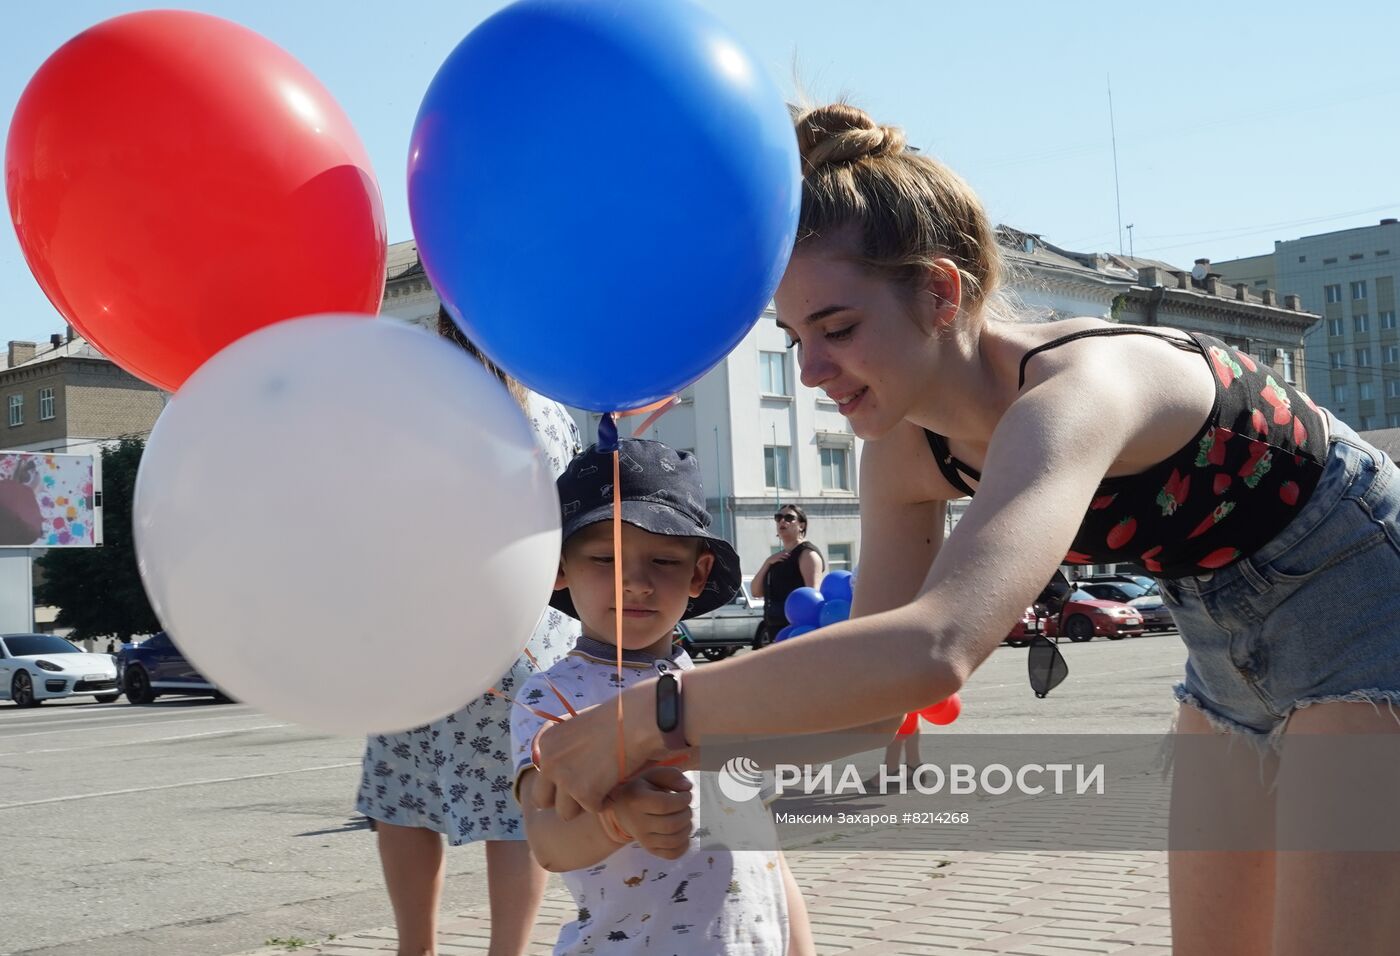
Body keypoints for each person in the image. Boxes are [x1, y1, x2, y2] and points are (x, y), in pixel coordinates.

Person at [525, 102, 1400, 956]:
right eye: (794, 339)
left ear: (941, 292)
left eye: (838, 328)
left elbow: (937, 647)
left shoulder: (1078, 391)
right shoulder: (904, 449)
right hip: (1220, 644)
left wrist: (650, 714)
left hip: (1362, 596)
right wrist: (665, 766)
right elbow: (874, 714)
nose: (814, 369)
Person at [510, 439, 813, 954]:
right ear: (560, 567)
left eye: (664, 560)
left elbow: (767, 848)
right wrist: (614, 819)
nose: (636, 583)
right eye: (604, 558)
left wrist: (800, 946)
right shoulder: (550, 696)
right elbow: (547, 840)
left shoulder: (716, 693)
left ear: (698, 573)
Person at [355, 307, 581, 956]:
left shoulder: (413, 398)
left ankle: (415, 948)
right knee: (517, 803)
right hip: (522, 628)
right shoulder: (546, 408)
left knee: (403, 792)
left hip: (417, 629)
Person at [750, 506, 824, 647]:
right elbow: (756, 591)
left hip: (796, 629)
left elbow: (812, 596)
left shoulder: (807, 554)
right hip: (774, 628)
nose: (782, 521)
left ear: (802, 525)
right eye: (778, 518)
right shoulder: (777, 558)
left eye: (789, 518)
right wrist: (767, 563)